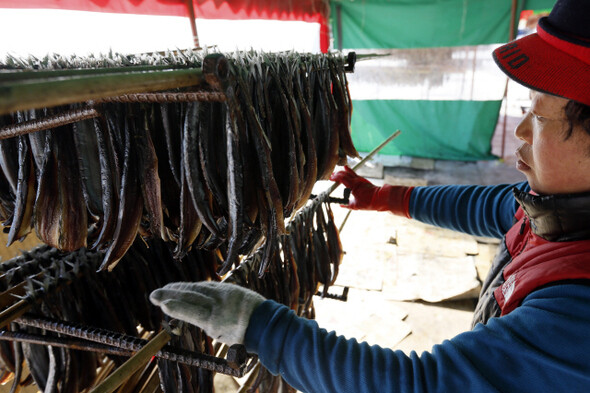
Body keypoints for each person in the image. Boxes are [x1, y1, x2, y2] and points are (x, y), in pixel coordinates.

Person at [149, 0, 590, 391]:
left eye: (540, 114)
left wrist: (261, 326)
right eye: (523, 109)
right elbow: (487, 206)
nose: (520, 131)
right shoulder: (556, 212)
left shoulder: (575, 316)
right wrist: (385, 197)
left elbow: (423, 383)